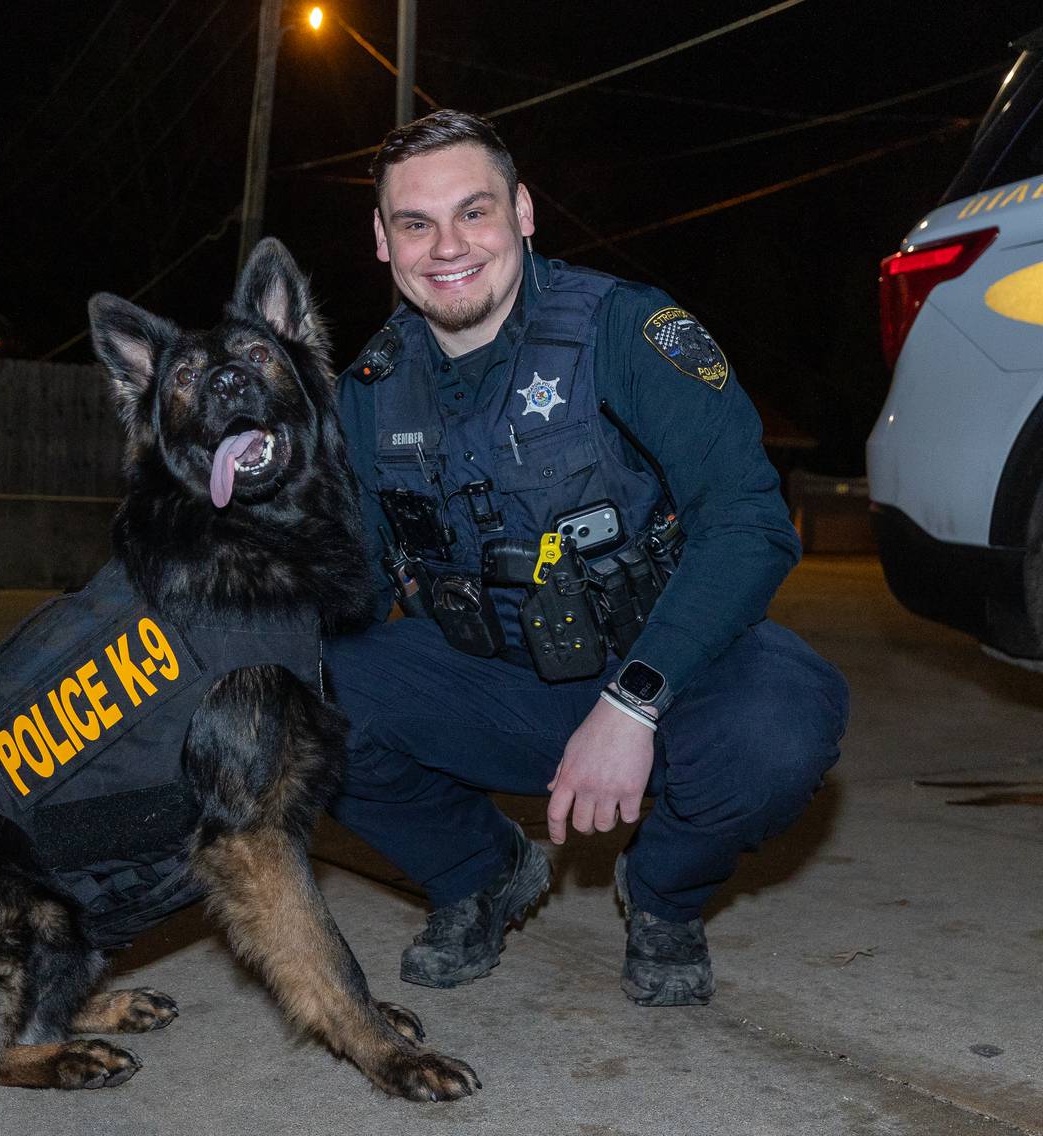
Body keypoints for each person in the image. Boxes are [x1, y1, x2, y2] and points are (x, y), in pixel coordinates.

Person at [325, 109, 849, 1006]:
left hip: (665, 667)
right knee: (293, 692)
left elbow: (749, 522)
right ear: (382, 240)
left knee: (783, 724)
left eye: (474, 211)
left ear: (523, 212)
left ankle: (664, 895)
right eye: (416, 222)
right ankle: (479, 873)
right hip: (500, 681)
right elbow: (356, 585)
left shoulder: (626, 331)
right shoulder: (368, 393)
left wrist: (635, 702)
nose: (447, 245)